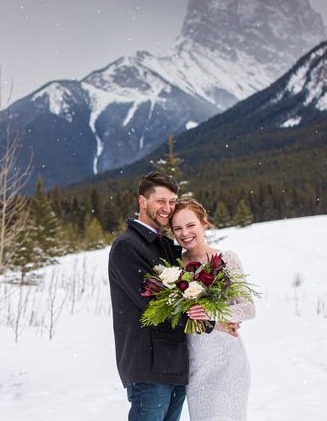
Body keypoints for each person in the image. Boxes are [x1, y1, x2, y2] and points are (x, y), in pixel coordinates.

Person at [108, 172, 191, 421]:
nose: (168, 208)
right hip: (148, 366)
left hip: (175, 365)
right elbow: (158, 305)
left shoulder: (164, 244)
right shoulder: (128, 246)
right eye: (160, 201)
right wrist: (208, 319)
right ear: (142, 202)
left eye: (172, 202)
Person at [170, 197, 256, 421]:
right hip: (196, 364)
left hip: (228, 360)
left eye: (191, 225)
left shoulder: (226, 259)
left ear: (203, 223)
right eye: (177, 228)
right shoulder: (173, 267)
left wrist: (215, 314)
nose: (185, 233)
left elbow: (248, 308)